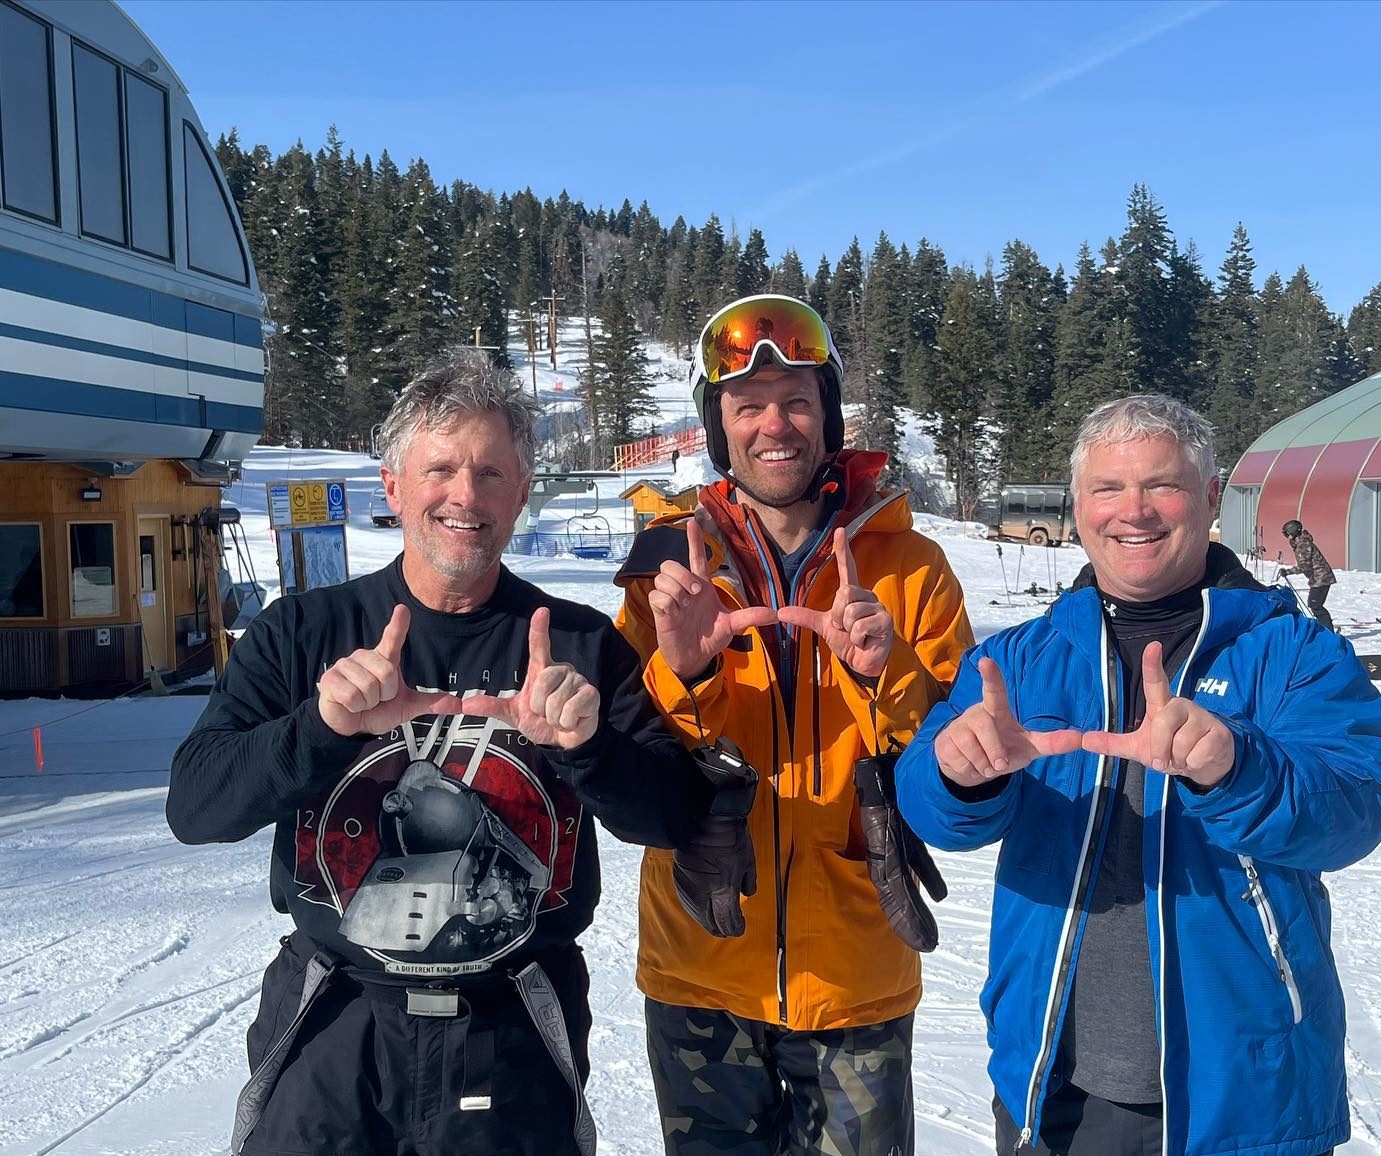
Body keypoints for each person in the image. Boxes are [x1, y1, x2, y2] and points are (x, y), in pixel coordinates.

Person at [168, 348, 716, 1156]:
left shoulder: (576, 644)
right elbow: (196, 806)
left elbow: (675, 816)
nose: (466, 495)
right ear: (393, 487)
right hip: (335, 1020)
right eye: (442, 470)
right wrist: (321, 729)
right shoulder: (301, 634)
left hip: (514, 1025)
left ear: (523, 493)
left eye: (492, 473)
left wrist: (586, 746)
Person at [895, 394, 1381, 1156]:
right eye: (1107, 488)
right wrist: (958, 775)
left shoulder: (1291, 652)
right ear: (1078, 506)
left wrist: (1237, 768)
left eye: (1160, 485)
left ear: (1207, 499)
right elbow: (927, 806)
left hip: (1244, 1095)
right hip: (1052, 1081)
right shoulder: (1022, 659)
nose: (1132, 511)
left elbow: (1359, 803)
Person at [614, 294, 976, 1156]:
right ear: (719, 426)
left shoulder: (912, 569)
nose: (774, 424)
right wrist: (690, 670)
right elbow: (633, 767)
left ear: (828, 417)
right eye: (748, 406)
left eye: (796, 401)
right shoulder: (665, 567)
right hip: (702, 965)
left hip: (855, 974)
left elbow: (954, 766)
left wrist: (882, 675)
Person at [1278, 518, 1336, 630]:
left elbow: (1304, 567)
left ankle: (1328, 632)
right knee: (1314, 604)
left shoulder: (1302, 545)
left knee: (1315, 604)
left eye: (1287, 534)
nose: (1287, 537)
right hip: (1319, 578)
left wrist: (1287, 572)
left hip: (1321, 578)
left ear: (1292, 532)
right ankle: (1326, 629)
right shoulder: (1301, 543)